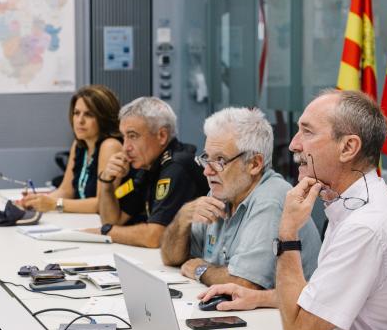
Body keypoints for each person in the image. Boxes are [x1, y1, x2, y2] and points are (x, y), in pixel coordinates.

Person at [199, 90, 387, 330]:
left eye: (307, 132)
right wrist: (260, 298)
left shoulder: (367, 226)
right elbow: (328, 297)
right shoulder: (351, 200)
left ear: (348, 147)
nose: (294, 144)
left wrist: (288, 232)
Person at [161, 107, 321, 288]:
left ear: (254, 164)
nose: (207, 170)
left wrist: (200, 270)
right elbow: (171, 258)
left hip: (281, 315)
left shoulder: (271, 199)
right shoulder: (223, 192)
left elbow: (245, 283)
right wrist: (183, 218)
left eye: (220, 160)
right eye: (206, 158)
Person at [89, 97, 209, 248]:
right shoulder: (148, 166)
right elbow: (113, 220)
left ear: (162, 136)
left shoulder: (176, 167)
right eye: (123, 137)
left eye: (133, 136)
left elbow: (154, 237)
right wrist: (107, 183)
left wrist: (105, 232)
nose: (125, 147)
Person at [21, 85, 123, 213]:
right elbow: (66, 191)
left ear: (103, 118)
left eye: (89, 114)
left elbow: (101, 204)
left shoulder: (110, 146)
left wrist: (54, 204)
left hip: (103, 225)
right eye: (76, 113)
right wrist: (37, 202)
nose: (80, 120)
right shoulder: (80, 144)